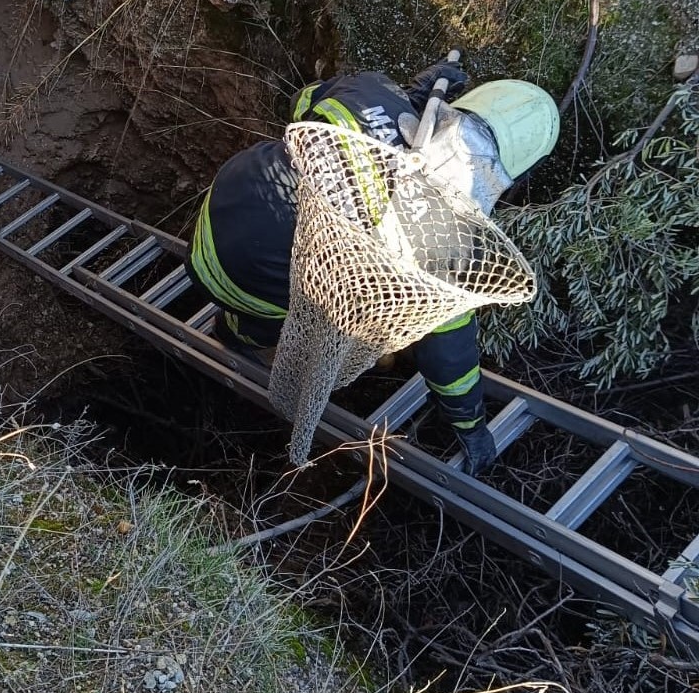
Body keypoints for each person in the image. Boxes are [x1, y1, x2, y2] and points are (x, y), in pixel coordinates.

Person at [184, 61, 560, 474]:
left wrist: (408, 102)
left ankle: (237, 324)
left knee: (293, 260)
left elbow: (302, 103)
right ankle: (242, 334)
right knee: (314, 312)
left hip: (219, 207)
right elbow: (448, 355)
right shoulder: (450, 242)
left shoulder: (370, 89)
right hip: (248, 281)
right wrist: (470, 425)